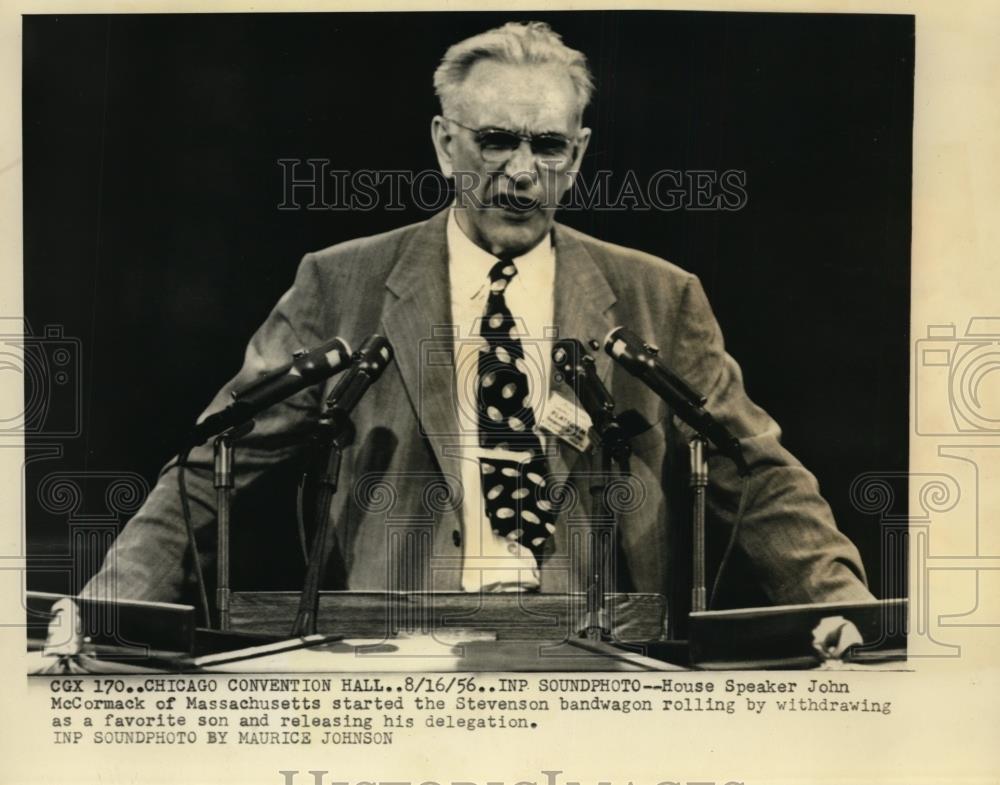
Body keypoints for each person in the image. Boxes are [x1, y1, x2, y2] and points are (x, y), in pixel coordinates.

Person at [75, 21, 874, 629]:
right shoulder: (341, 282)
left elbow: (757, 471)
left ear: (581, 152)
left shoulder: (657, 297)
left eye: (548, 146)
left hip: (601, 651)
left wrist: (843, 609)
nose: (522, 173)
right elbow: (212, 460)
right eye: (494, 141)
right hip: (394, 650)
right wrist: (109, 606)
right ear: (443, 140)